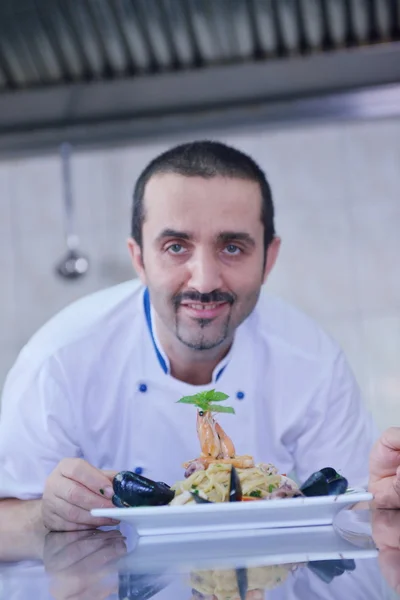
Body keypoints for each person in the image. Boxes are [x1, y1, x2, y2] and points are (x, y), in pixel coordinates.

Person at [0, 140, 383, 533]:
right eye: (176, 247)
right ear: (139, 259)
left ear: (269, 258)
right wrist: (44, 515)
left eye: (232, 247)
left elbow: (355, 510)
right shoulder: (59, 359)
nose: (204, 280)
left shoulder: (313, 362)